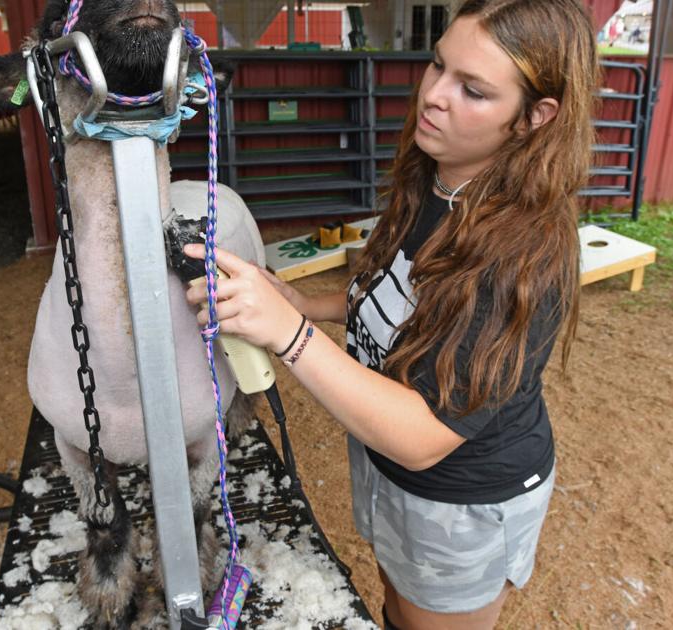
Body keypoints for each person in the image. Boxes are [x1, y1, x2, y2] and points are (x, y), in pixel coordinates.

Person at [183, 0, 599, 627]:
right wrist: (306, 304)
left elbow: (422, 436)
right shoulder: (436, 176)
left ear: (532, 120)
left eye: (474, 91)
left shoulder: (525, 252)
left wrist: (289, 331)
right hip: (384, 464)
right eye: (438, 67)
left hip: (462, 497)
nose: (433, 95)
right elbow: (390, 300)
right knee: (396, 606)